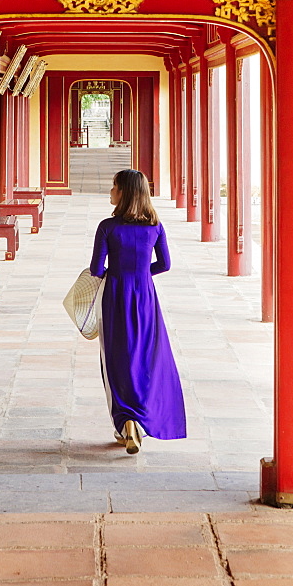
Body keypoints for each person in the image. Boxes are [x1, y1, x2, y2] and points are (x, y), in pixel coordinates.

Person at [89, 168, 186, 454]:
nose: (111, 191)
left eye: (114, 186)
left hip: (115, 296)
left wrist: (116, 274)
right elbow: (165, 264)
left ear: (124, 193)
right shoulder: (155, 226)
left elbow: (96, 269)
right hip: (144, 297)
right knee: (143, 358)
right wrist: (142, 273)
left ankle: (125, 422)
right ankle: (139, 420)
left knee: (117, 359)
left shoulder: (107, 227)